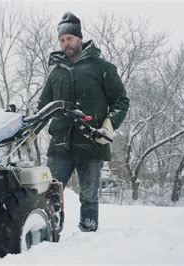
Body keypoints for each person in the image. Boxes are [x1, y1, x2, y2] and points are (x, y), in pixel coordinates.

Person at [37, 11, 129, 232]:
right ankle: (49, 235)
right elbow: (42, 107)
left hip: (90, 143)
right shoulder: (56, 72)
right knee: (47, 193)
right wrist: (31, 128)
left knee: (88, 196)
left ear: (79, 38)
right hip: (60, 144)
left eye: (69, 38)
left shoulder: (101, 67)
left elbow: (121, 100)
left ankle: (88, 237)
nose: (65, 43)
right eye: (62, 39)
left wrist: (108, 125)